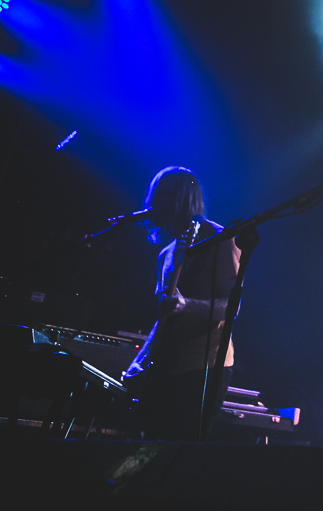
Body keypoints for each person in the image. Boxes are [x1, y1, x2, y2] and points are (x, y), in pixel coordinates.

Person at [123, 166, 239, 440]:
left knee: (179, 451)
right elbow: (164, 316)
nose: (160, 203)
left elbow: (232, 306)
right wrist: (139, 360)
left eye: (170, 195)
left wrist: (187, 305)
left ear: (187, 199)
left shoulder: (219, 239)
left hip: (203, 366)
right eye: (158, 195)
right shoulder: (165, 253)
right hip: (166, 366)